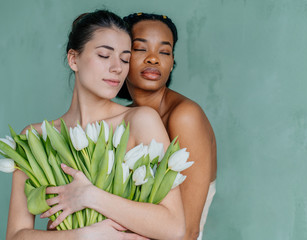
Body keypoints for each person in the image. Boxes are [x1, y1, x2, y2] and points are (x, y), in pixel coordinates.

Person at [6, 10, 185, 240]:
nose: (117, 68)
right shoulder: (35, 137)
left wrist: (91, 196)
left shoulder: (140, 121)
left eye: (124, 59)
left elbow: (175, 228)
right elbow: (15, 236)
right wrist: (84, 235)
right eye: (104, 55)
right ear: (73, 59)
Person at [117, 13, 217, 240]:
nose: (153, 59)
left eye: (164, 52)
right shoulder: (124, 118)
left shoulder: (184, 116)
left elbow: (188, 231)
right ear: (121, 56)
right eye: (141, 49)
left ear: (172, 64)